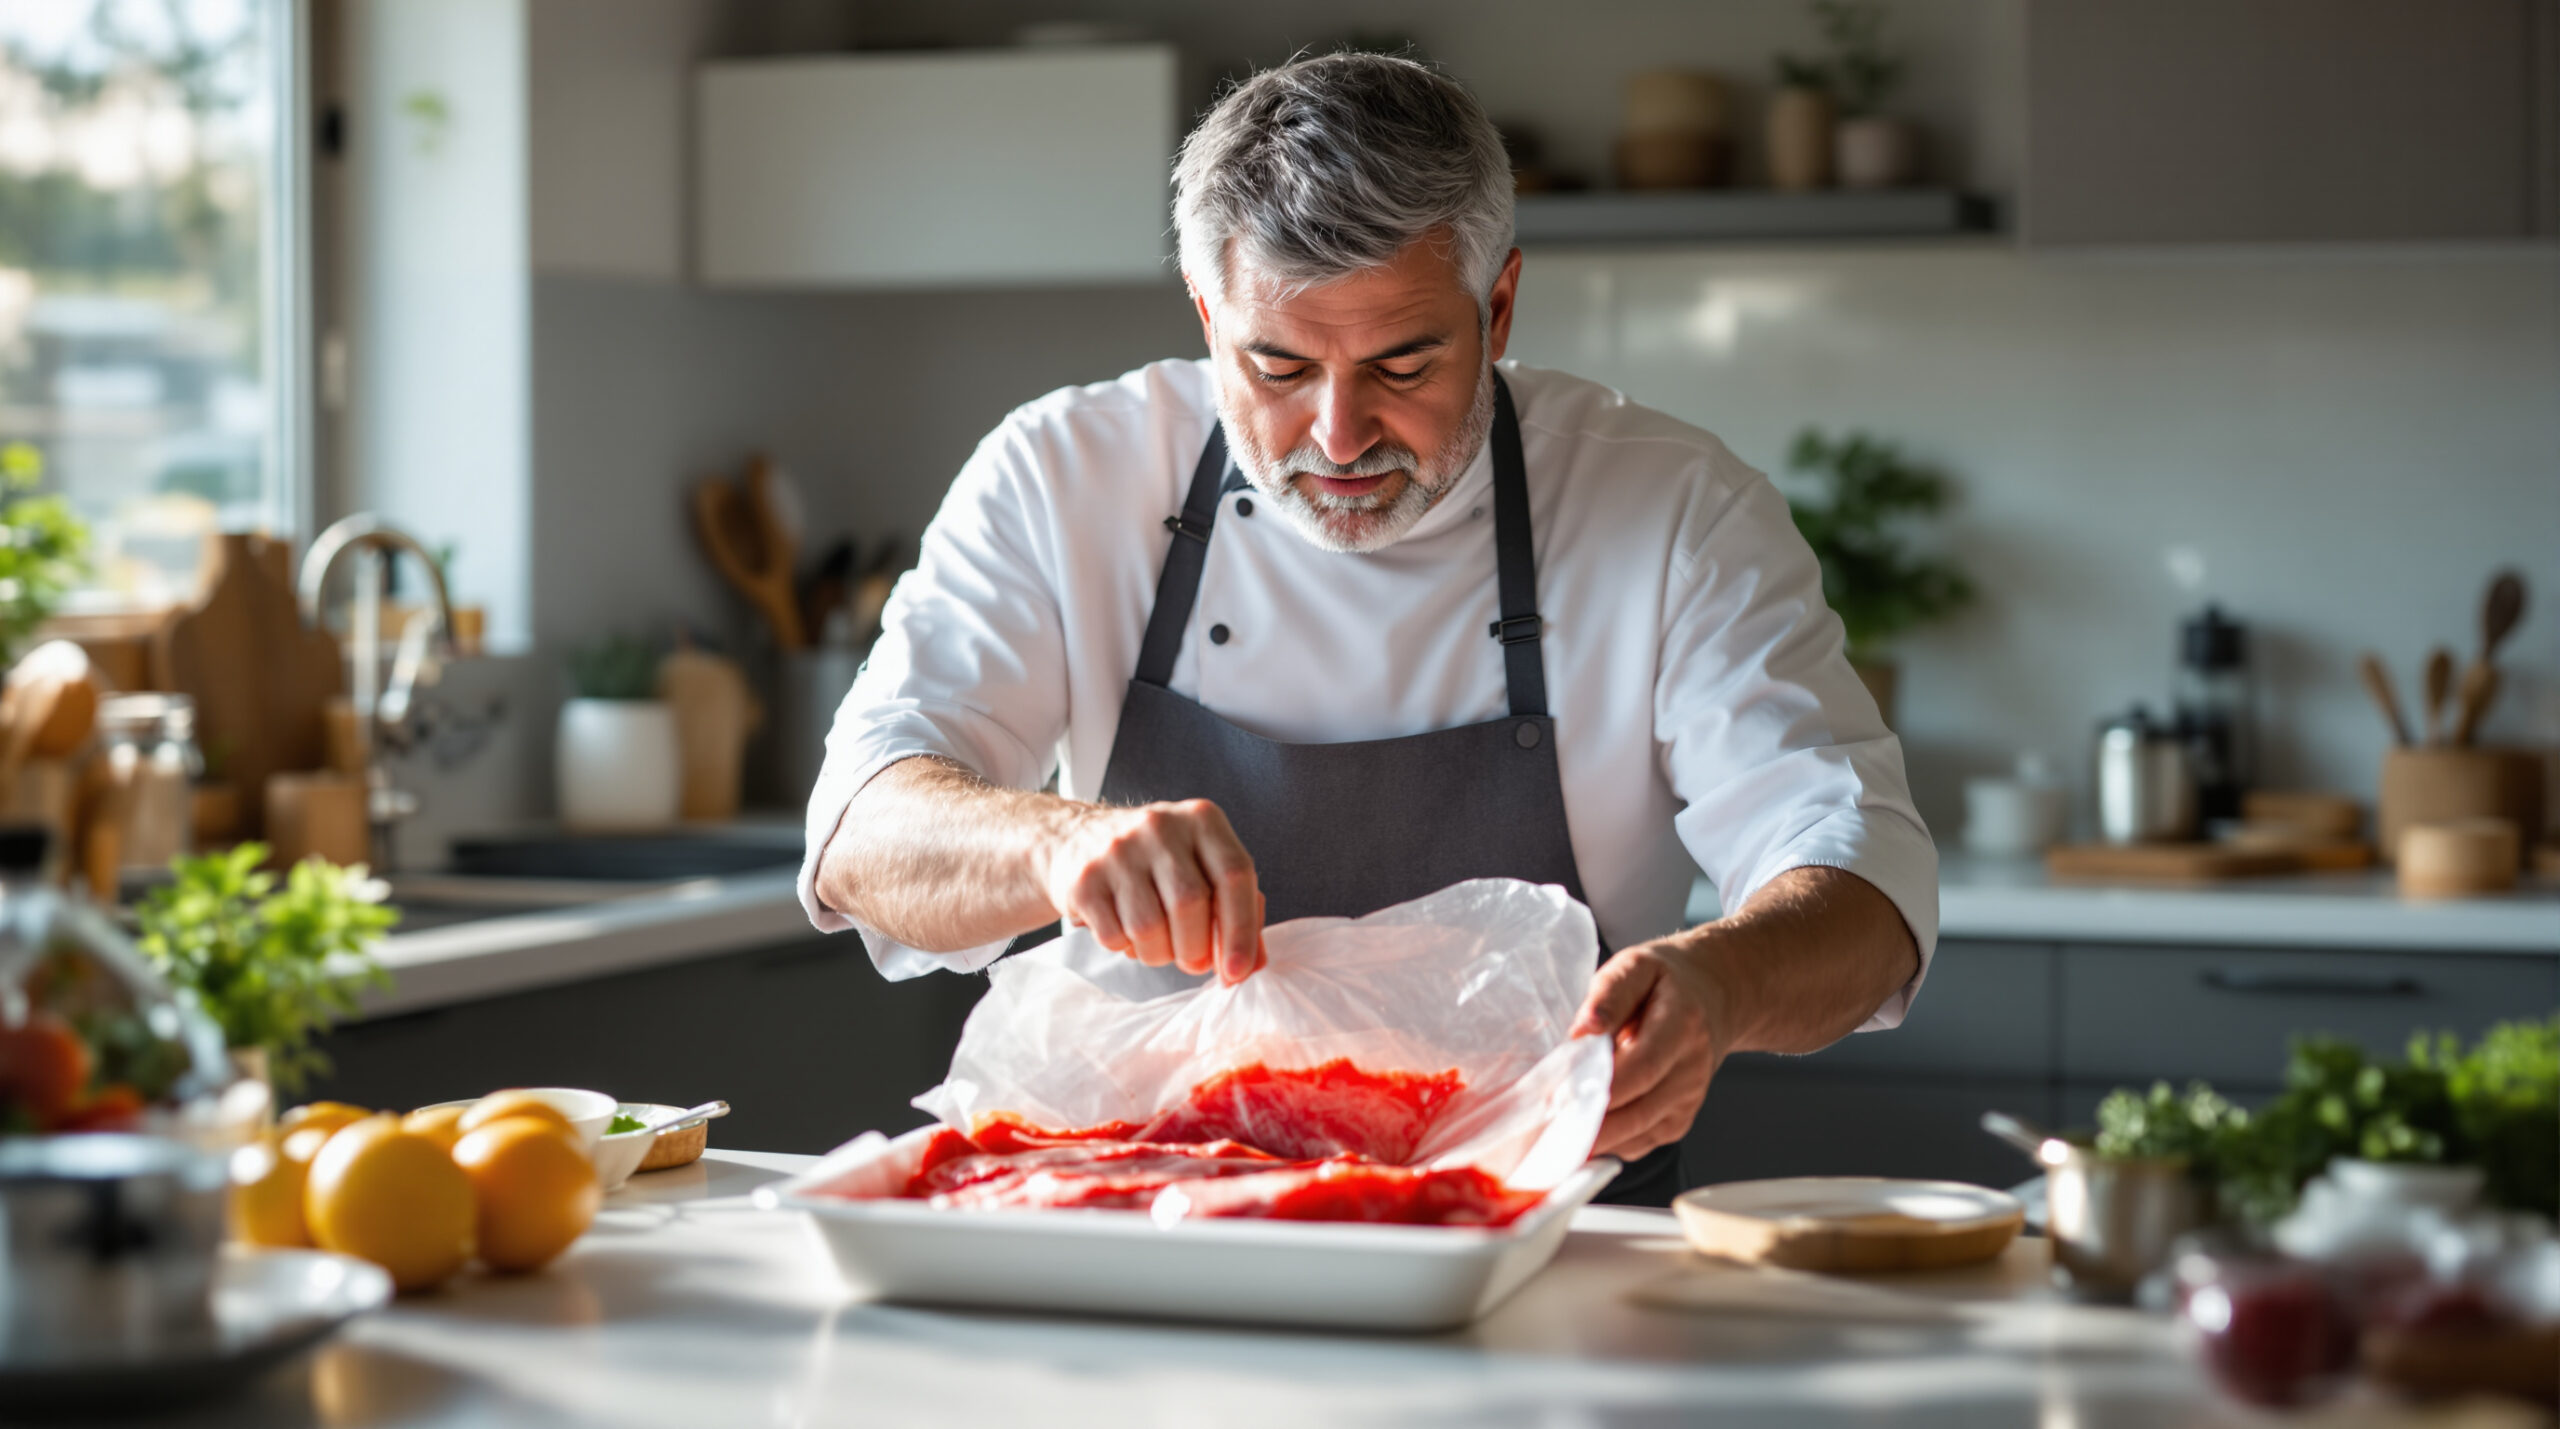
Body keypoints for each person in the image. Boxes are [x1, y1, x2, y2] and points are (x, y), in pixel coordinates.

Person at [799, 52, 1937, 1205]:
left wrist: (1723, 986)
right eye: (1278, 366)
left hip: (1547, 1237)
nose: (1338, 436)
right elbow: (860, 834)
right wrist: (1055, 845)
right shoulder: (1060, 474)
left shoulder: (1674, 510)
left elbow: (1863, 880)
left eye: (1403, 363)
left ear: (1497, 307)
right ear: (1207, 313)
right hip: (1143, 1215)